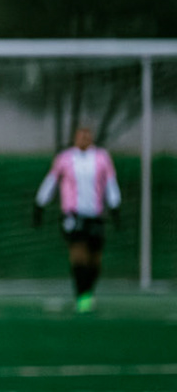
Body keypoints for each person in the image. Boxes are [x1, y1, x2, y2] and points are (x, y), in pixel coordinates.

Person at [34, 123, 122, 313]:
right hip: (73, 216)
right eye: (81, 135)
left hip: (96, 216)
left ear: (92, 138)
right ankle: (81, 296)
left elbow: (111, 183)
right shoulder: (64, 159)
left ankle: (87, 292)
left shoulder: (102, 158)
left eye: (87, 135)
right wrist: (39, 204)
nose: (84, 138)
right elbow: (51, 181)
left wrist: (115, 207)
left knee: (95, 260)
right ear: (75, 138)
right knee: (78, 254)